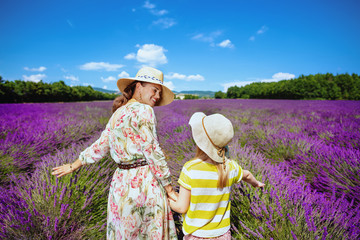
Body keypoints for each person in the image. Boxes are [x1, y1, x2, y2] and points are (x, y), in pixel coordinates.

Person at [52, 67, 178, 239]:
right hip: (143, 184)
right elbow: (152, 151)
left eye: (159, 93)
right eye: (154, 90)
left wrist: (74, 165)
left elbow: (101, 145)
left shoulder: (118, 113)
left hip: (120, 185)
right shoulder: (145, 110)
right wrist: (169, 188)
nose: (157, 96)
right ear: (139, 86)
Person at [169, 112, 265, 240]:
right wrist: (256, 183)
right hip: (222, 234)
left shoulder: (190, 169)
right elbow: (247, 175)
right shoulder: (230, 167)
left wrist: (166, 200)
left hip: (196, 235)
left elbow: (181, 207)